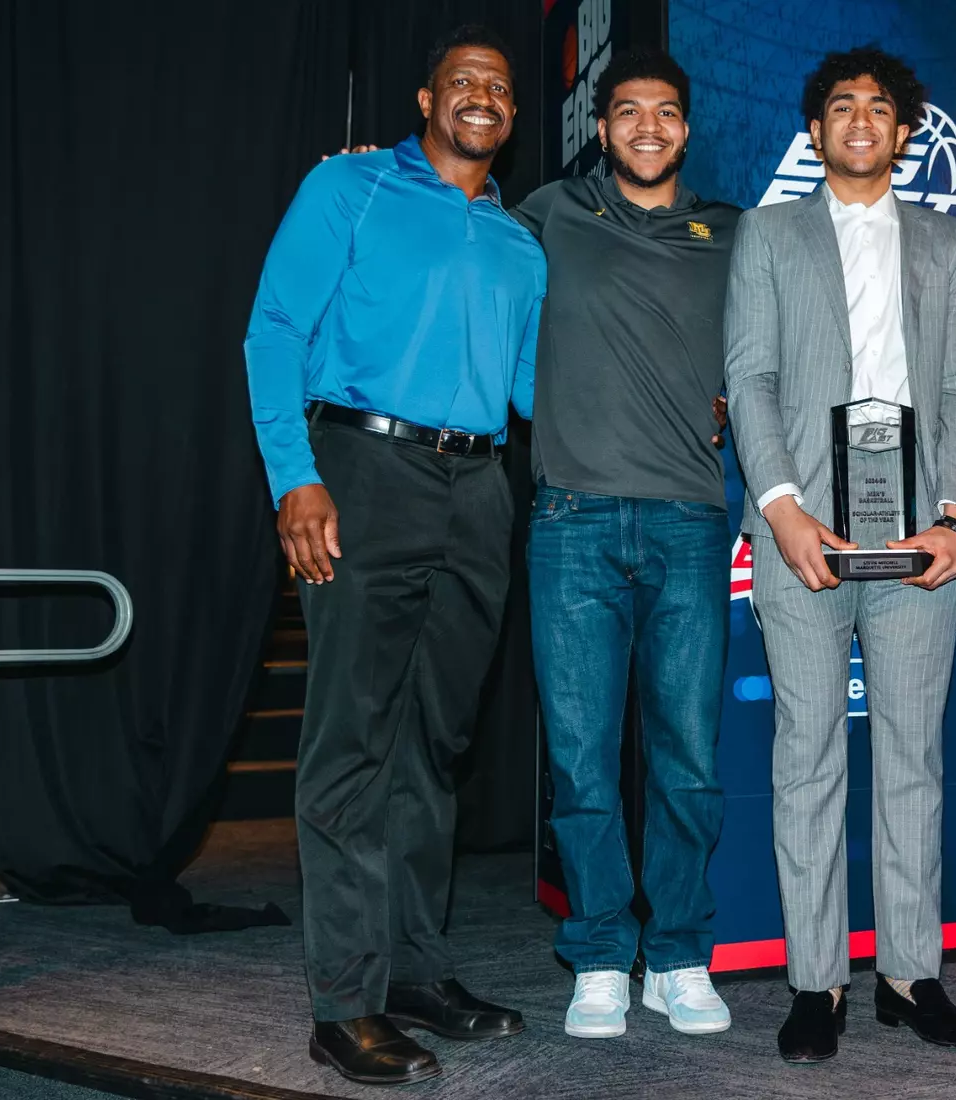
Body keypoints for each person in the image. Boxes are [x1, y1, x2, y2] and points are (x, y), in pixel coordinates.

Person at [244, 24, 543, 1086]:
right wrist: (295, 477)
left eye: (499, 89)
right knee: (353, 743)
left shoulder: (519, 244)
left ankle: (416, 972)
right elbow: (274, 327)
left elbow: (534, 392)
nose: (481, 97)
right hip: (359, 472)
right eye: (462, 82)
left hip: (479, 491)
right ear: (425, 100)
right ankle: (344, 1001)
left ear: (512, 116)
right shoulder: (351, 189)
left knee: (434, 746)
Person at [725, 46, 956, 1064]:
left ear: (906, 128)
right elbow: (748, 377)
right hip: (804, 532)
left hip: (920, 531)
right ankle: (815, 984)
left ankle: (911, 975)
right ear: (816, 129)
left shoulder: (947, 241)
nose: (861, 119)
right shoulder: (769, 232)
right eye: (842, 106)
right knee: (807, 756)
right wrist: (782, 507)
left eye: (880, 106)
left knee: (915, 754)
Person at [512, 50, 739, 1040]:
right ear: (601, 128)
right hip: (573, 524)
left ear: (686, 130)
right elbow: (454, 238)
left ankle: (679, 953)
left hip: (691, 520)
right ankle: (602, 952)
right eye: (628, 112)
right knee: (582, 757)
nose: (648, 127)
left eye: (667, 113)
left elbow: (811, 314)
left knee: (687, 756)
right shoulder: (551, 211)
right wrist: (375, 170)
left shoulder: (734, 232)